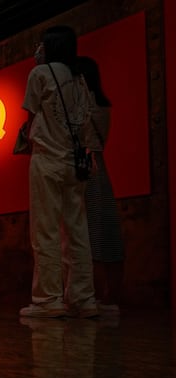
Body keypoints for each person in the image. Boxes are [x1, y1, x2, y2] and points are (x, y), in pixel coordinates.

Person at [19, 26, 98, 319]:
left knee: (46, 231)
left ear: (49, 46)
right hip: (73, 163)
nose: (37, 49)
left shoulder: (39, 74)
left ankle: (48, 299)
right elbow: (85, 121)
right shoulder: (79, 79)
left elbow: (30, 119)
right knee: (78, 232)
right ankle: (83, 298)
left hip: (47, 160)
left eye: (41, 43)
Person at [77, 56, 124, 314]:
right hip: (100, 165)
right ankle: (111, 297)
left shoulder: (83, 105)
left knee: (90, 236)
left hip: (86, 166)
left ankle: (96, 298)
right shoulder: (103, 105)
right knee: (108, 236)